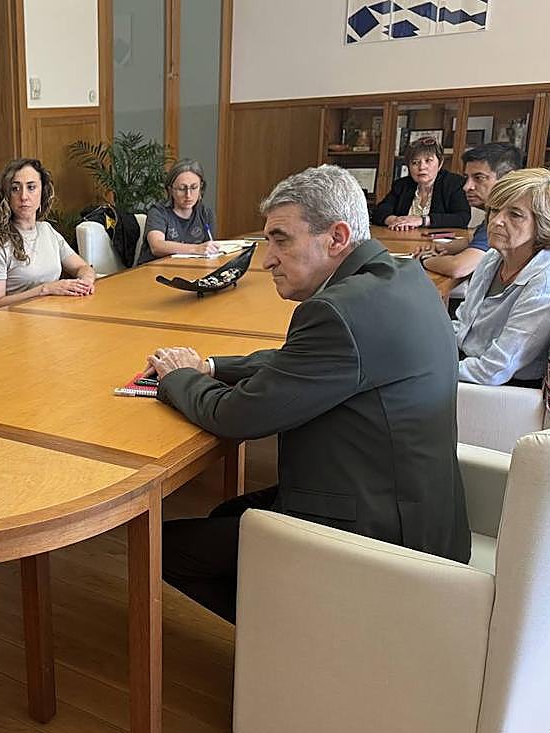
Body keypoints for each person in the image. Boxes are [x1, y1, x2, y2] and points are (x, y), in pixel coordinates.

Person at [146, 165, 470, 624]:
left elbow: (237, 417)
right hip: (419, 512)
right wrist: (213, 366)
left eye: (281, 240)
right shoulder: (398, 278)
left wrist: (178, 377)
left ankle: (309, 634)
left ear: (336, 237)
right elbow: (306, 361)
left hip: (381, 541)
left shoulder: (336, 311)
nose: (267, 260)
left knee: (166, 549)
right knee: (226, 512)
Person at [454, 168, 550, 386]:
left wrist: (426, 371)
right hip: (471, 362)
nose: (496, 221)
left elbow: (492, 371)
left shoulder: (548, 287)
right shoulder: (492, 258)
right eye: (494, 210)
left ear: (546, 223)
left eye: (514, 215)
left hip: (510, 388)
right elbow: (464, 326)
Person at [0, 158, 96, 308]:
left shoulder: (46, 230)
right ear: (6, 196)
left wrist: (85, 281)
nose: (23, 196)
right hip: (16, 322)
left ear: (43, 193)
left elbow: (82, 267)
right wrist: (45, 289)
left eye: (31, 187)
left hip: (55, 315)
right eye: (15, 189)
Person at [419, 143, 522, 297]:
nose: (466, 187)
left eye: (479, 178)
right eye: (467, 178)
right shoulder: (498, 212)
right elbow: (475, 239)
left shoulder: (506, 220)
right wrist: (443, 248)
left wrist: (424, 259)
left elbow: (459, 267)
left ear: (507, 178)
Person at [373, 137, 471, 230]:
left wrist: (423, 220)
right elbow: (379, 211)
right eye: (415, 162)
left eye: (428, 161)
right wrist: (394, 220)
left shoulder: (454, 183)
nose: (422, 167)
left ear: (440, 163)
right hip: (403, 240)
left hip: (440, 244)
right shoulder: (401, 185)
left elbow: (462, 218)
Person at [136, 158, 219, 265]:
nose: (188, 195)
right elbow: (156, 246)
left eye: (194, 187)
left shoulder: (206, 213)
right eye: (181, 188)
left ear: (201, 187)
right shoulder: (158, 212)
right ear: (170, 190)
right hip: (154, 270)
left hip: (190, 269)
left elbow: (208, 248)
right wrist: (196, 249)